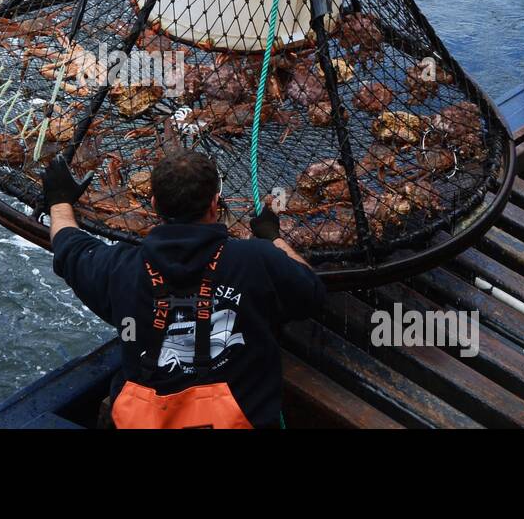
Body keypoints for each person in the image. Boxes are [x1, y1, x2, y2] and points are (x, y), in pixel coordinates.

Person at [42, 149, 326, 429]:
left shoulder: (119, 267)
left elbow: (69, 246)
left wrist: (58, 200)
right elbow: (312, 292)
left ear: (154, 204)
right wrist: (272, 237)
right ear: (215, 205)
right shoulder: (257, 260)